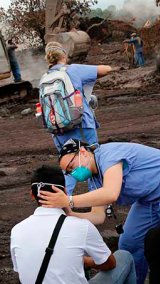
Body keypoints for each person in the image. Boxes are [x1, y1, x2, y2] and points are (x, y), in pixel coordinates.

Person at [38, 139, 160, 284]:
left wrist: (69, 200)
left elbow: (111, 193)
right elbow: (98, 216)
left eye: (71, 166)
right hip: (149, 199)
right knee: (129, 244)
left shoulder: (108, 155)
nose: (73, 173)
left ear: (82, 151)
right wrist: (70, 214)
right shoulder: (95, 180)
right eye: (69, 172)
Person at [10, 165, 137, 284]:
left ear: (31, 194)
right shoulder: (81, 227)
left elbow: (21, 274)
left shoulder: (17, 230)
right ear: (64, 192)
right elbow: (110, 264)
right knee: (124, 256)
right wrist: (87, 262)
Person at [43, 42, 112, 195]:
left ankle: (64, 202)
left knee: (69, 165)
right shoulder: (72, 70)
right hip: (81, 125)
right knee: (92, 161)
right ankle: (99, 201)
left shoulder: (45, 77)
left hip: (58, 130)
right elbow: (107, 69)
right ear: (64, 56)